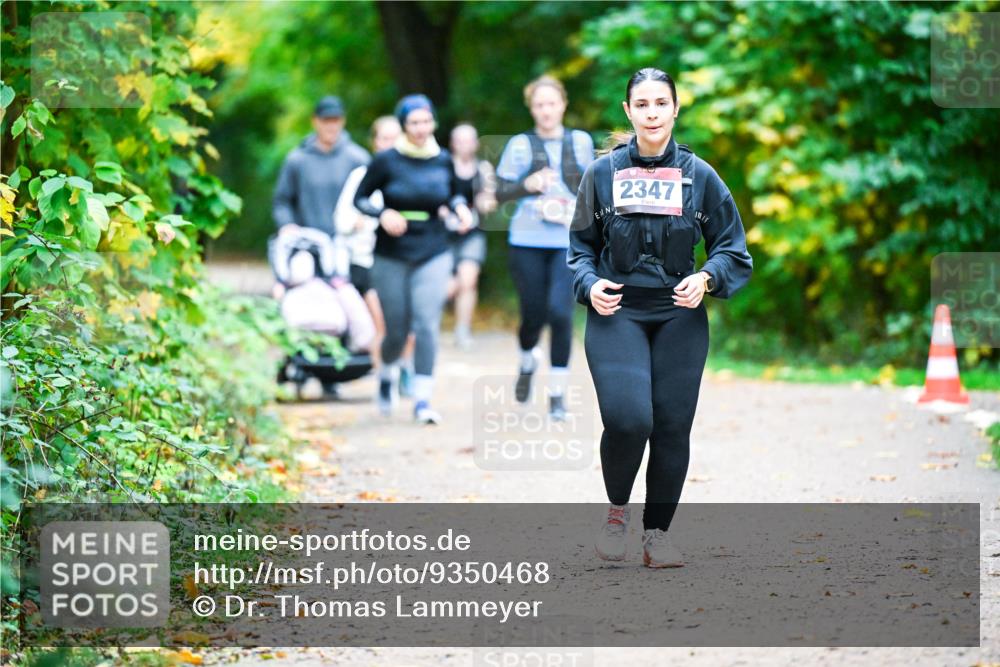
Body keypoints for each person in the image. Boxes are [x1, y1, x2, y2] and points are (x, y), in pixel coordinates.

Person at [567, 68, 753, 568]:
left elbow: (733, 250)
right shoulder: (601, 174)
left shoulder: (701, 176)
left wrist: (707, 277)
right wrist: (590, 285)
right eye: (642, 104)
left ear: (675, 109)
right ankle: (616, 510)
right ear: (628, 112)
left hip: (679, 315)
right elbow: (579, 251)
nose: (652, 113)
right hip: (618, 312)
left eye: (660, 103)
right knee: (630, 419)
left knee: (671, 426)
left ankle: (657, 536)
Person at [354, 94, 474, 425]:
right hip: (391, 252)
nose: (421, 129)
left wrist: (460, 208)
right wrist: (383, 212)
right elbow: (359, 198)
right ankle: (388, 373)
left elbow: (454, 193)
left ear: (433, 123)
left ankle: (422, 400)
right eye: (414, 123)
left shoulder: (443, 159)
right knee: (397, 330)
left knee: (426, 324)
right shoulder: (387, 161)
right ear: (404, 126)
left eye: (426, 122)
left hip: (433, 249)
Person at [495, 75, 595, 421]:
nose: (546, 110)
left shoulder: (580, 141)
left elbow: (593, 186)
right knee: (533, 315)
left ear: (563, 105)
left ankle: (557, 395)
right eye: (539, 104)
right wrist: (528, 185)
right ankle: (526, 360)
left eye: (552, 103)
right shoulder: (521, 145)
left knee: (561, 313)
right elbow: (499, 191)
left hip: (567, 241)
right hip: (526, 240)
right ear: (532, 108)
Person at [333, 116, 403, 366]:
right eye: (385, 139)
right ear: (375, 143)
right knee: (381, 322)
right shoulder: (361, 176)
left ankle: (404, 370)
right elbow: (341, 221)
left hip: (403, 260)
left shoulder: (414, 175)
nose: (391, 144)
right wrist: (363, 223)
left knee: (408, 324)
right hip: (366, 262)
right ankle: (385, 377)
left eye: (396, 138)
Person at [273, 95, 371, 237]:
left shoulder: (358, 158)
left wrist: (363, 219)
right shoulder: (297, 159)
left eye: (335, 120)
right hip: (308, 243)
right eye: (326, 121)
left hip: (349, 243)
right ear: (315, 121)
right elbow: (282, 201)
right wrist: (287, 224)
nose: (331, 126)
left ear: (343, 121)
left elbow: (371, 199)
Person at [445, 123, 497, 351]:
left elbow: (490, 199)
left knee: (469, 280)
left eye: (469, 140)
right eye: (460, 140)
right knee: (446, 285)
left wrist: (484, 204)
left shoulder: (483, 169)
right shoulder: (443, 166)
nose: (465, 145)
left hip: (473, 232)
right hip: (443, 232)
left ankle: (462, 329)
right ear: (452, 144)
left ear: (475, 143)